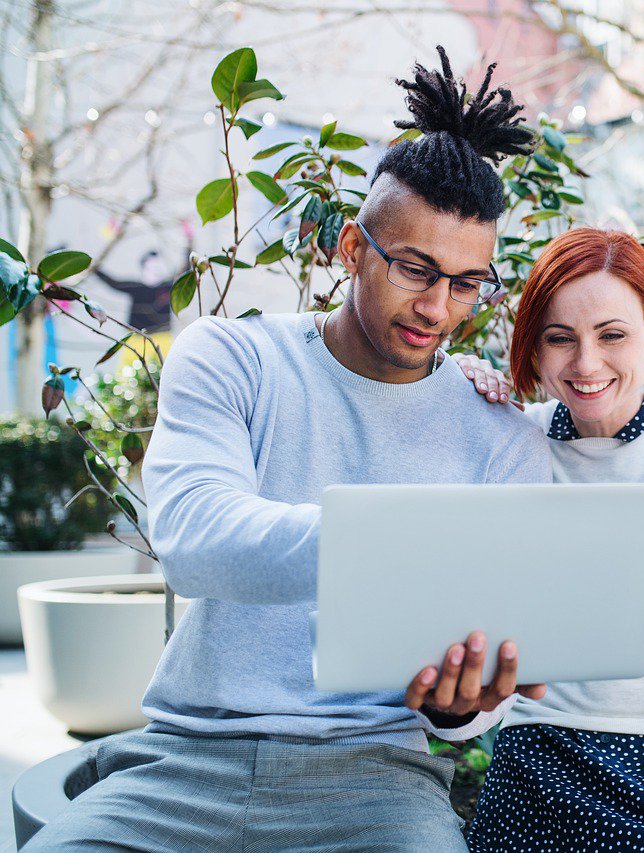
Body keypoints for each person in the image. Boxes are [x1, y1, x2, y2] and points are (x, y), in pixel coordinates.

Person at [27, 48, 549, 852]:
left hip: (379, 779)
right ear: (349, 248)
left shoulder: (499, 432)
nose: (440, 307)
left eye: (468, 282)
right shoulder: (231, 359)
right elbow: (198, 542)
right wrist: (413, 539)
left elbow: (482, 685)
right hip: (182, 764)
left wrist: (462, 705)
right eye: (415, 268)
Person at [452, 228, 644, 852]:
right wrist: (450, 396)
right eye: (560, 339)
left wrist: (620, 563)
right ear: (534, 348)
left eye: (611, 335)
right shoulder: (515, 437)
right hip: (540, 746)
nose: (586, 364)